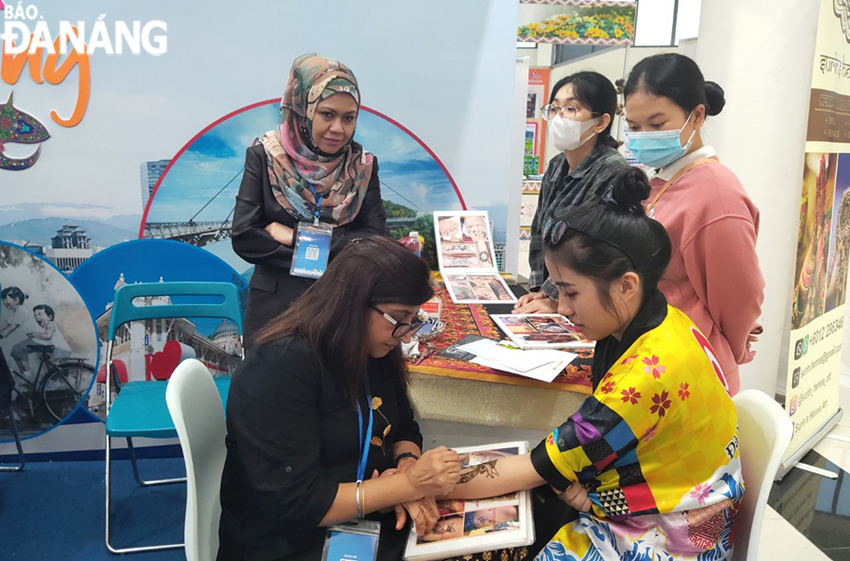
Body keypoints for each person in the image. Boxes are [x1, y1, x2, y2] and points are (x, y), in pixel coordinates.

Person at [443, 169, 743, 561]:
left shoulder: (642, 379)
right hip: (686, 505)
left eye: (570, 293)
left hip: (670, 539)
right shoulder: (668, 318)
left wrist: (418, 484)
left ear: (626, 285)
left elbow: (535, 467)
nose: (563, 310)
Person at [218, 236, 461, 561]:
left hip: (365, 518)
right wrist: (409, 486)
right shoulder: (278, 369)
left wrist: (406, 465)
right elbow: (295, 503)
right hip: (292, 542)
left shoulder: (374, 352)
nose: (406, 332)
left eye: (413, 320)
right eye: (398, 318)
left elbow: (403, 427)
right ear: (351, 302)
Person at [622, 53, 764, 394]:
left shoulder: (716, 194)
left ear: (697, 115)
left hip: (691, 370)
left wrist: (731, 347)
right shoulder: (667, 180)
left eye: (656, 125)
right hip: (655, 358)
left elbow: (740, 296)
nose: (643, 137)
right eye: (633, 127)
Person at [232, 53, 387, 347]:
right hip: (275, 313)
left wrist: (297, 237)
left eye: (348, 117)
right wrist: (333, 253)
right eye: (327, 114)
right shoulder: (264, 156)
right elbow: (245, 237)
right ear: (303, 109)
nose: (338, 128)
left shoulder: (363, 167)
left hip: (341, 309)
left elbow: (376, 241)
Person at [515, 72, 630, 315]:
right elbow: (539, 229)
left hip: (590, 303)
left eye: (571, 109)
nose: (559, 117)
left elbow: (591, 246)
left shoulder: (612, 170)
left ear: (600, 122)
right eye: (555, 108)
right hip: (556, 298)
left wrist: (557, 299)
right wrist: (540, 290)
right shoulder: (557, 164)